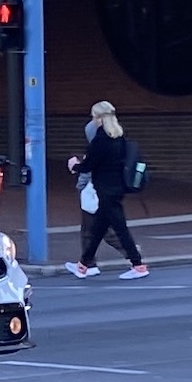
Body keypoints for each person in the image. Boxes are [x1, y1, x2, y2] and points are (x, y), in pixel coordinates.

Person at [65, 101, 147, 279]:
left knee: (120, 228)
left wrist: (74, 166)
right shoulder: (119, 137)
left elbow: (89, 165)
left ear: (99, 118)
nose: (93, 120)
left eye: (94, 117)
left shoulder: (101, 139)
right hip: (117, 188)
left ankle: (138, 265)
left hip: (105, 189)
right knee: (97, 230)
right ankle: (84, 266)